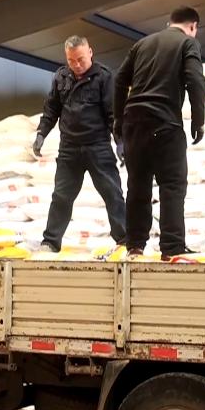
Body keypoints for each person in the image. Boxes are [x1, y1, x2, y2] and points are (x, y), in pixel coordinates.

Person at [114, 6, 205, 259]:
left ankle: (135, 247)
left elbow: (120, 80)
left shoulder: (141, 44)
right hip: (165, 122)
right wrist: (198, 120)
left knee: (138, 185)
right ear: (193, 26)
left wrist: (118, 120)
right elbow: (195, 80)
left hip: (134, 123)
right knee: (172, 185)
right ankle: (172, 248)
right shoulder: (188, 43)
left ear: (169, 23)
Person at [33, 35, 126, 252]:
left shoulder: (104, 77)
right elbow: (51, 109)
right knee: (61, 196)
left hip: (98, 146)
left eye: (81, 59)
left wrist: (121, 142)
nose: (76, 65)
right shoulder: (61, 77)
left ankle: (124, 239)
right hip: (69, 149)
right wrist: (41, 133)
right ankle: (51, 242)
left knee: (112, 193)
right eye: (71, 60)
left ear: (90, 52)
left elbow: (114, 114)